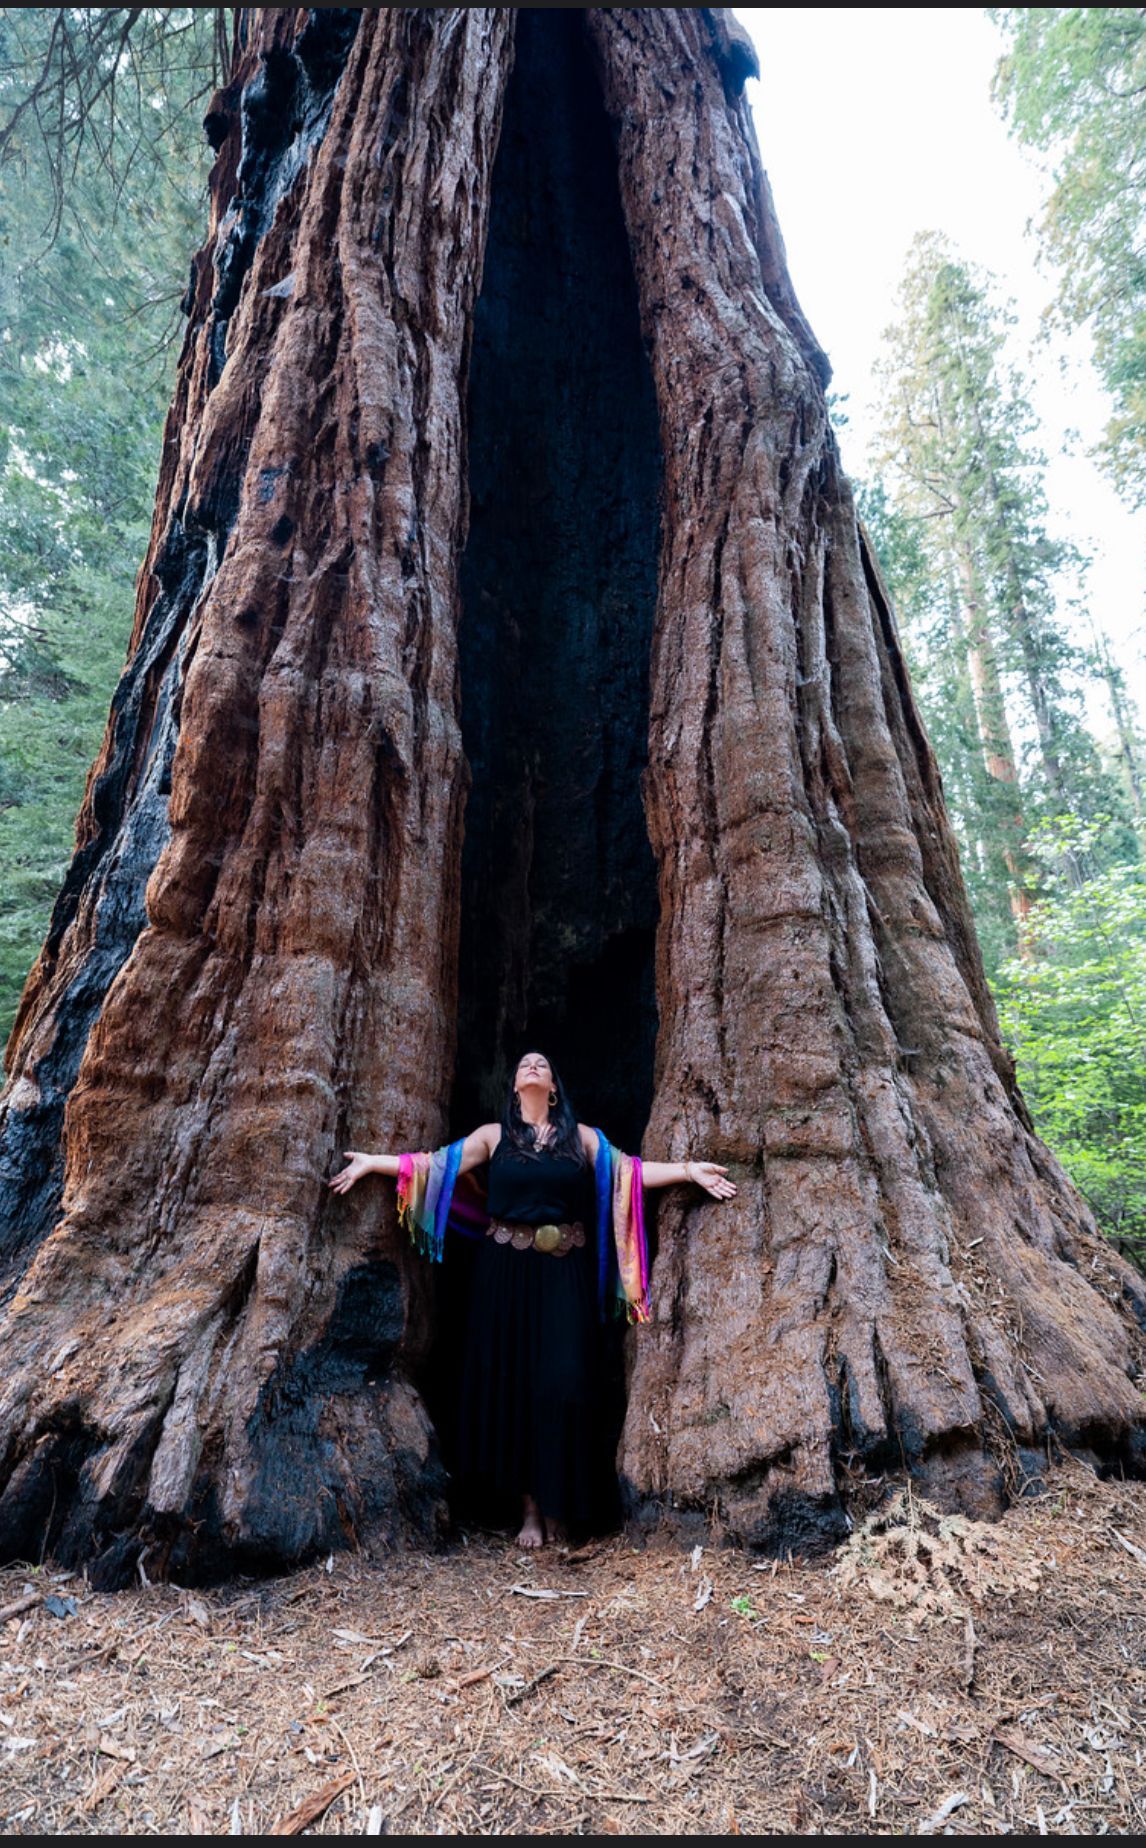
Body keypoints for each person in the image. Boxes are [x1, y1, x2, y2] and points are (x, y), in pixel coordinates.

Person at [328, 1051, 735, 1548]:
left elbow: (628, 1173)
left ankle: (562, 1503)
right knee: (517, 1384)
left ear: (554, 1087)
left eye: (543, 1063)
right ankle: (531, 1512)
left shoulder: (580, 1137)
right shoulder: (493, 1137)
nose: (534, 1065)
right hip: (505, 1273)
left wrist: (689, 1170)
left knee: (563, 1381)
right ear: (515, 1086)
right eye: (525, 1063)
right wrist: (374, 1163)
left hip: (566, 1271)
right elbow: (436, 1166)